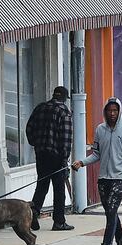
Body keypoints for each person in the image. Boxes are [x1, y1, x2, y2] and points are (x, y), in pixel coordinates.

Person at [72, 97, 122, 245]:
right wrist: (81, 162)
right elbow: (96, 154)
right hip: (103, 179)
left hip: (119, 178)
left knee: (111, 212)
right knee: (110, 213)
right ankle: (121, 242)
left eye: (115, 110)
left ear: (119, 111)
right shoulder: (100, 130)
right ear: (105, 112)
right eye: (109, 110)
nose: (112, 113)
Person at [26, 86, 74, 231]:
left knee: (41, 186)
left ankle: (32, 214)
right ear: (64, 98)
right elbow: (66, 138)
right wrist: (64, 158)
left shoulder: (40, 108)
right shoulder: (64, 111)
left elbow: (29, 128)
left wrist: (36, 143)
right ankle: (59, 221)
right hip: (57, 156)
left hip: (41, 154)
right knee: (59, 190)